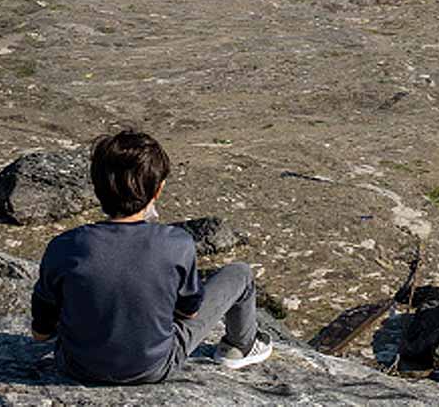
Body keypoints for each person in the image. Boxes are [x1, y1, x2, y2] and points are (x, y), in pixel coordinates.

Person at [30, 130, 272, 384]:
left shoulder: (64, 246)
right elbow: (189, 313)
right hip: (154, 367)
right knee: (240, 273)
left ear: (97, 188)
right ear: (157, 190)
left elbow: (40, 334)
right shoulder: (176, 244)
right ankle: (239, 346)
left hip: (76, 367)